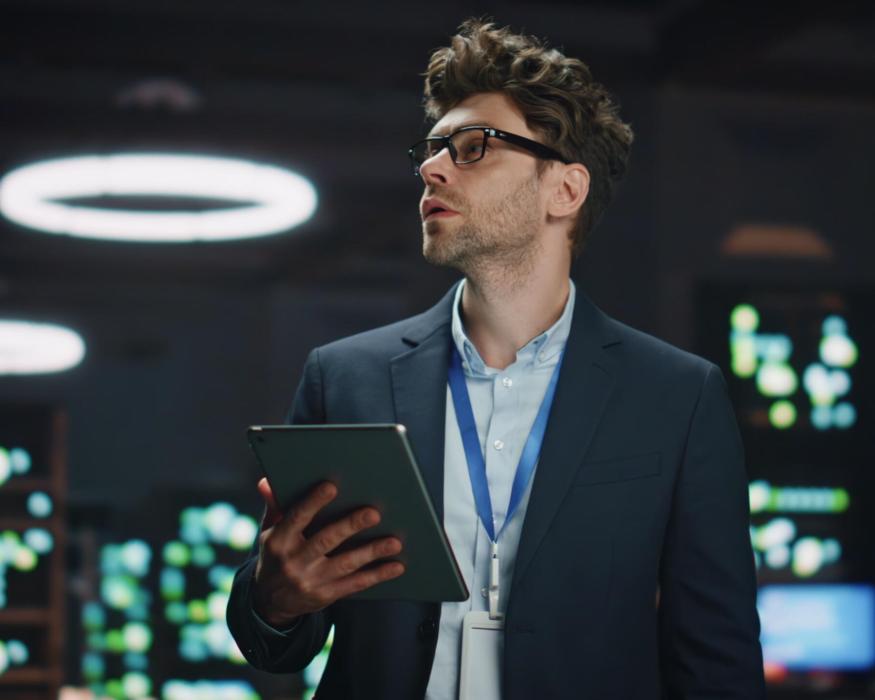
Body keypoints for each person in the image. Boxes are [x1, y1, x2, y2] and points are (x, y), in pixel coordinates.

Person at [227, 19, 765, 700]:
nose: (431, 166)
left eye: (472, 147)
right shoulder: (344, 377)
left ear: (563, 191)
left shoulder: (675, 396)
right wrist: (274, 599)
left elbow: (716, 659)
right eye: (431, 149)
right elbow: (274, 643)